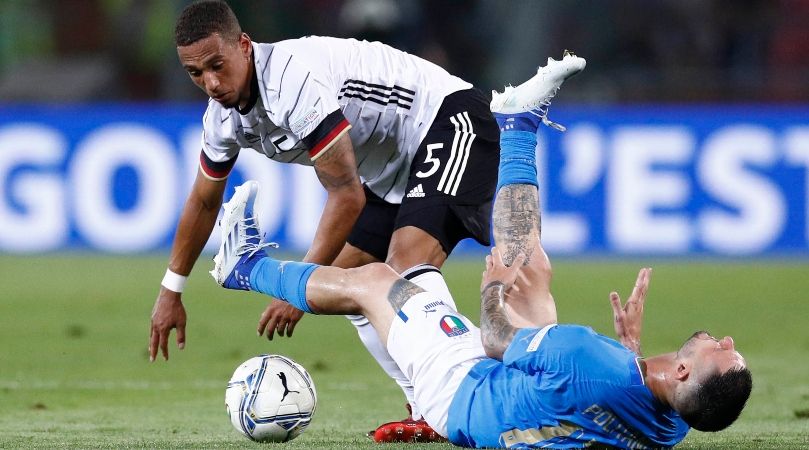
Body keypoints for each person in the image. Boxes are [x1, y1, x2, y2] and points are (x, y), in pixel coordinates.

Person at [207, 70, 753, 447]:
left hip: (466, 387)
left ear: (683, 369)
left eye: (722, 355)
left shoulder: (591, 361)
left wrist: (491, 289)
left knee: (375, 281)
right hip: (528, 404)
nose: (727, 342)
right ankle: (519, 125)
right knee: (530, 270)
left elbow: (496, 343)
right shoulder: (677, 424)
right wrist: (632, 352)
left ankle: (243, 266)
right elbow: (610, 409)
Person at [148, 0, 582, 437]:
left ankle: (467, 389)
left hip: (447, 118)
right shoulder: (221, 118)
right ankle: (424, 407)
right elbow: (204, 202)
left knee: (403, 265)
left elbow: (345, 196)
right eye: (195, 73)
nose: (212, 83)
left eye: (218, 65)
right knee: (351, 286)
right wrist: (172, 289)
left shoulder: (291, 81)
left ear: (244, 45)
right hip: (387, 167)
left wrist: (295, 285)